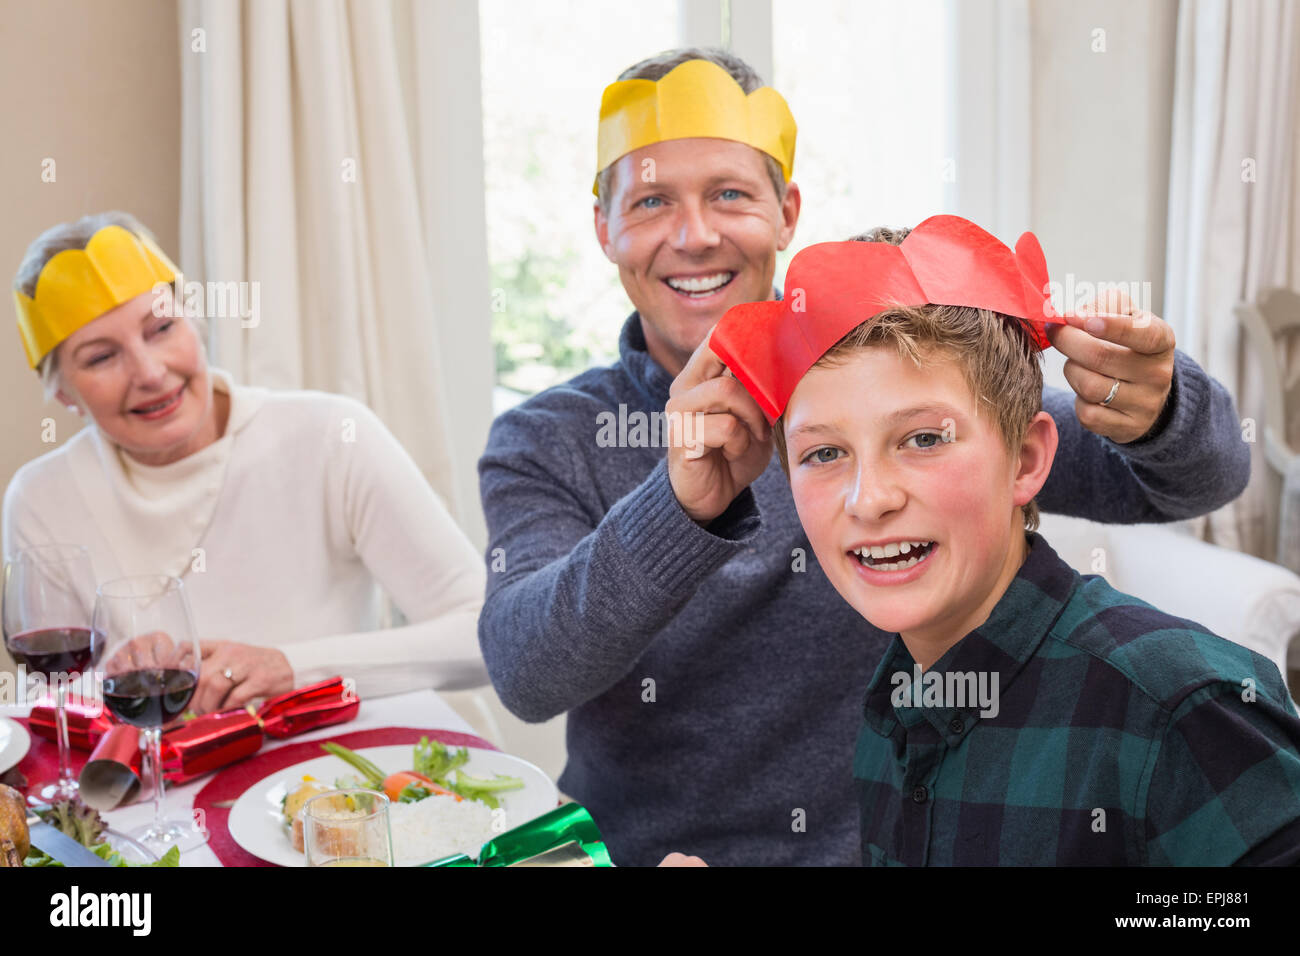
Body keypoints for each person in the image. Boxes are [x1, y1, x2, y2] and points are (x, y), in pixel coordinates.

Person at [477, 49, 1252, 866]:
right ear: (605, 229)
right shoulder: (548, 437)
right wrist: (681, 507)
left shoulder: (877, 374)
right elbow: (526, 674)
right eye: (652, 200)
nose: (695, 234)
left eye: (731, 195)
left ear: (786, 212)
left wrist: (1157, 405)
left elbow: (1198, 480)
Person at [686, 220, 1300, 864]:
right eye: (825, 453)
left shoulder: (1180, 707)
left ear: (1028, 460)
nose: (869, 499)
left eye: (923, 439)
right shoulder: (892, 706)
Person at [4, 211, 487, 714]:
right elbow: (54, 708)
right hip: (167, 788)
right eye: (102, 357)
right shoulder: (41, 498)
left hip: (347, 774)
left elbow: (484, 636)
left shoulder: (332, 436)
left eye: (163, 327)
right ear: (64, 394)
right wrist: (106, 680)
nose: (150, 373)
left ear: (196, 320)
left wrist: (289, 667)